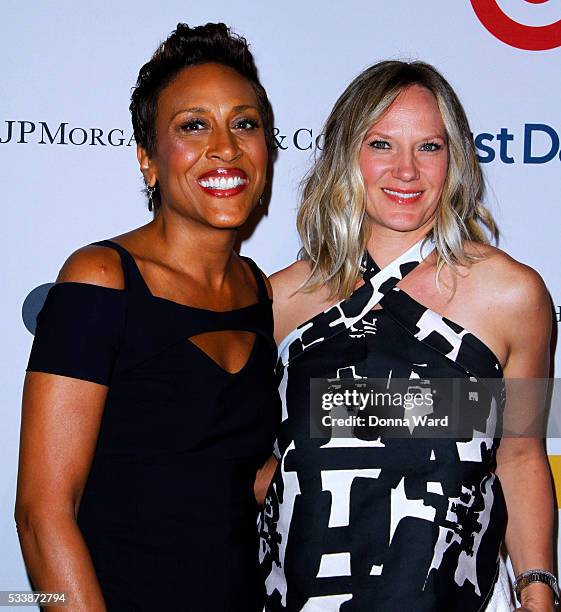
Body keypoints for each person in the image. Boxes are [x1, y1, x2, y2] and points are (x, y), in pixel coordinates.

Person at [259, 61, 556, 611]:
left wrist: (537, 589)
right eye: (381, 144)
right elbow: (257, 467)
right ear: (347, 154)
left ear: (456, 158)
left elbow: (519, 455)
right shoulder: (279, 301)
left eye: (429, 147)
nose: (406, 171)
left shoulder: (514, 297)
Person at [16, 23, 279, 611]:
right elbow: (42, 515)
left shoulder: (258, 290)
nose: (226, 147)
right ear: (148, 160)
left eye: (245, 124)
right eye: (193, 126)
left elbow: (242, 478)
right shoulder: (100, 279)